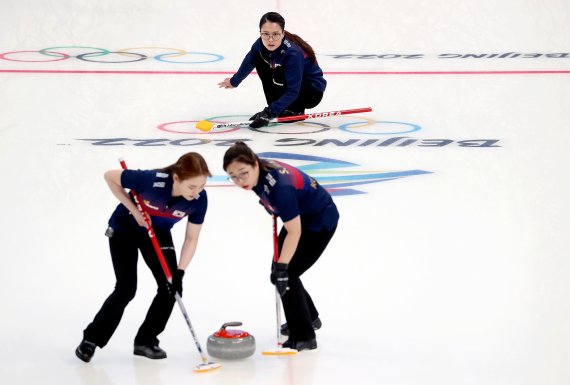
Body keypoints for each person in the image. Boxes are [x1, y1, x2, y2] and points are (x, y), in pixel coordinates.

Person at [75, 152, 211, 362]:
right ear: (176, 178)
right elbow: (110, 176)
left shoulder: (199, 201)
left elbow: (191, 239)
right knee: (126, 288)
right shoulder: (150, 180)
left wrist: (180, 273)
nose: (197, 192)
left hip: (157, 232)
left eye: (201, 186)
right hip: (124, 229)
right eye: (192, 187)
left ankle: (146, 341)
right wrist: (135, 211)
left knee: (170, 288)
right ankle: (91, 339)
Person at [223, 142, 339, 351]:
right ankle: (309, 317)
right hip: (299, 216)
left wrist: (283, 266)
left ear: (255, 163)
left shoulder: (280, 188)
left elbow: (294, 232)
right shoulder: (260, 174)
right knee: (281, 273)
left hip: (318, 223)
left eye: (243, 173)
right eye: (233, 176)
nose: (240, 180)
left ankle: (304, 336)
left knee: (287, 275)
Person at [217, 12, 327, 128]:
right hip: (292, 88)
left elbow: (293, 90)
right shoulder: (260, 44)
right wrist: (234, 81)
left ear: (283, 33)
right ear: (260, 33)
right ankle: (277, 107)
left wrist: (269, 113)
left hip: (311, 92)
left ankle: (296, 109)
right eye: (265, 34)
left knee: (279, 72)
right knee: (260, 60)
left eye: (275, 34)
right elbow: (249, 61)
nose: (270, 39)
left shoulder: (292, 53)